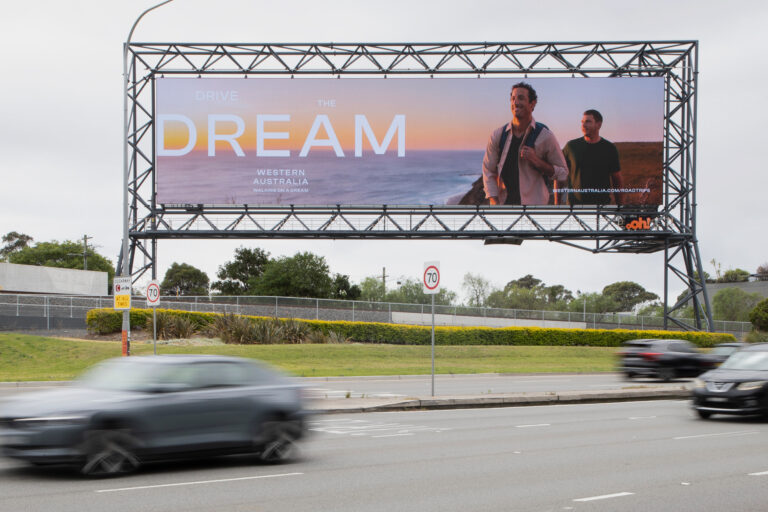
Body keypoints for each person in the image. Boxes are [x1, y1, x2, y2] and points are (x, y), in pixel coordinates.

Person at [482, 82, 568, 205]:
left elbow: (563, 173)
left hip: (534, 209)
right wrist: (494, 201)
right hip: (503, 208)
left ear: (532, 104)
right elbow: (488, 171)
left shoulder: (545, 136)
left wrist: (537, 161)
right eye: (513, 99)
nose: (515, 102)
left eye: (521, 98)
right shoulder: (498, 135)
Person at [563, 109, 624, 205]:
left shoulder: (609, 148)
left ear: (598, 125)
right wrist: (557, 205)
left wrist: (620, 208)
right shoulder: (571, 147)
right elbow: (558, 175)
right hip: (574, 208)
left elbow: (617, 180)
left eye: (588, 122)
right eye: (582, 122)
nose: (583, 125)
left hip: (601, 208)